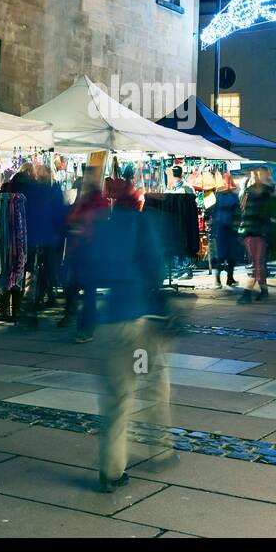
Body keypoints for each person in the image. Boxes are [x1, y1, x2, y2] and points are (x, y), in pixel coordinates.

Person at [84, 200, 173, 493]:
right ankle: (160, 449)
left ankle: (111, 470)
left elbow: (84, 271)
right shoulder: (141, 223)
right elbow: (156, 267)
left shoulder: (101, 226)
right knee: (156, 383)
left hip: (108, 322)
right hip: (138, 325)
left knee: (116, 398)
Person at [60, 166, 108, 342]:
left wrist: (80, 225)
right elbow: (70, 219)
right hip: (77, 252)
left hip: (90, 253)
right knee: (74, 287)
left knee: (88, 291)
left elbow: (98, 222)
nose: (86, 180)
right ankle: (75, 318)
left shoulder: (97, 200)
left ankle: (86, 329)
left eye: (89, 177)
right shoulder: (83, 198)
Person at [25, 165, 68, 311]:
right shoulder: (53, 190)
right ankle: (44, 297)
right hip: (50, 236)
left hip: (36, 236)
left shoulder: (33, 190)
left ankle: (38, 299)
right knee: (48, 268)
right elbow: (60, 213)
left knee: (38, 269)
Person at [238, 168, 274, 302]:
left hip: (261, 232)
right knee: (256, 262)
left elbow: (270, 212)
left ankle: (247, 292)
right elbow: (244, 211)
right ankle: (263, 290)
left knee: (257, 262)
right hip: (251, 231)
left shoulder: (268, 191)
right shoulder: (249, 191)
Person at [210, 175, 242, 286]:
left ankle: (222, 279)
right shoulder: (233, 196)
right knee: (228, 254)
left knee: (222, 254)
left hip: (222, 228)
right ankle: (227, 279)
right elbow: (238, 213)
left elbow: (214, 213)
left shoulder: (219, 196)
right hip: (229, 229)